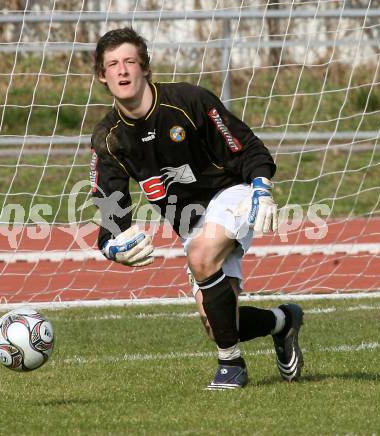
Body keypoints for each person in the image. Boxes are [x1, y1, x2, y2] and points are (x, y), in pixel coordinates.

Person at [90, 27, 304, 389]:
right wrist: (111, 245)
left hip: (230, 193)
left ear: (145, 69)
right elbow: (111, 203)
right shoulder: (109, 138)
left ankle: (231, 367)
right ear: (102, 75)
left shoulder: (188, 101)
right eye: (113, 64)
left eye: (129, 61)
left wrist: (261, 188)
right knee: (220, 324)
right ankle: (283, 322)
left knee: (203, 257)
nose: (122, 71)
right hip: (190, 223)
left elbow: (248, 146)